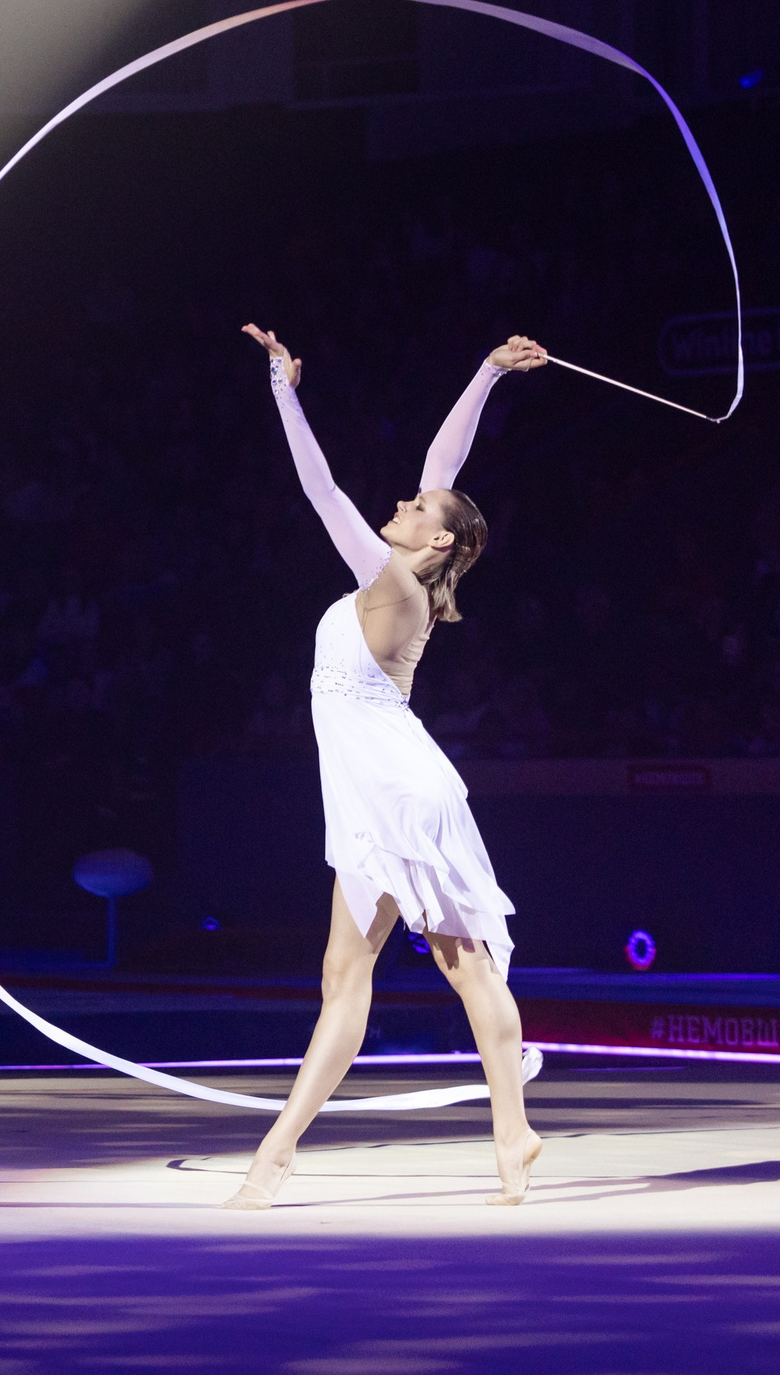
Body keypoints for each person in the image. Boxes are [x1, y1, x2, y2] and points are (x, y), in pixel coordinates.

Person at [223, 325, 548, 1210]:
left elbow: (318, 489)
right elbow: (447, 467)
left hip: (403, 793)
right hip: (368, 794)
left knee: (466, 966)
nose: (403, 505)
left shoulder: (395, 585)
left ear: (435, 545)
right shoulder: (403, 576)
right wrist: (484, 371)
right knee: (342, 976)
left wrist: (285, 391)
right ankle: (279, 1154)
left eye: (416, 510)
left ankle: (510, 1131)